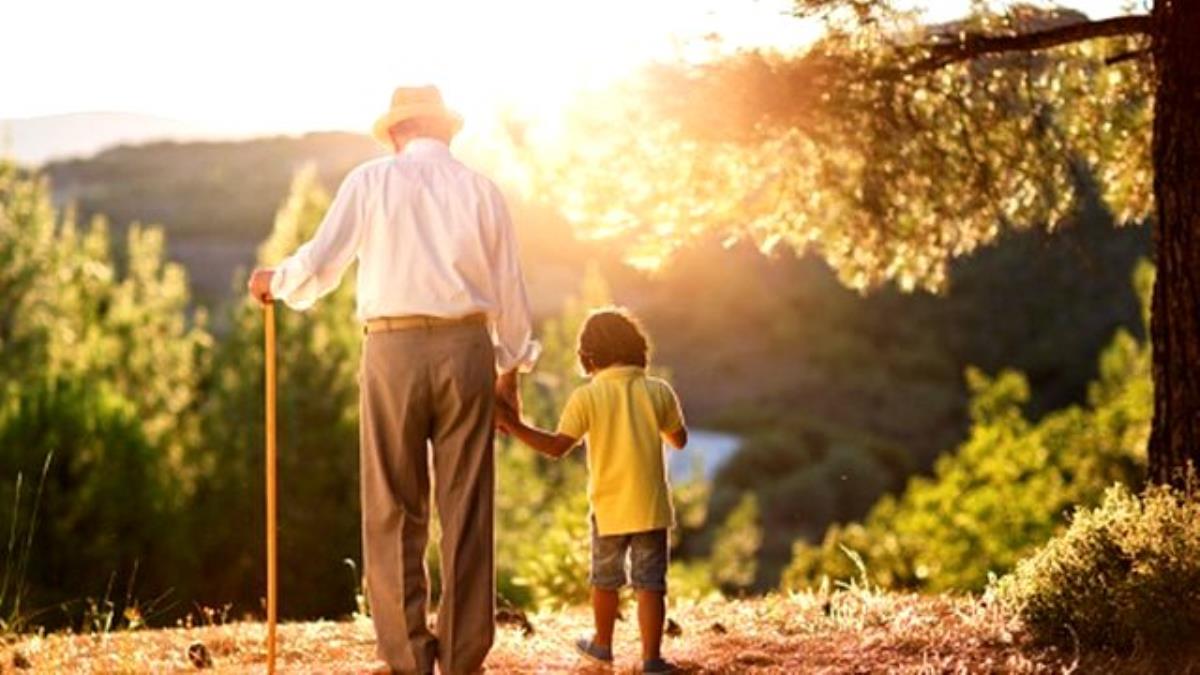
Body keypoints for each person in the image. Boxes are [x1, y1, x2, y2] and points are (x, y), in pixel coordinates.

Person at [247, 85, 539, 675]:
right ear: (445, 131)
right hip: (468, 350)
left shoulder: (371, 181)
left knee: (392, 505)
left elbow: (322, 264)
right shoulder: (484, 191)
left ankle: (407, 658)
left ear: (398, 132)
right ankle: (461, 660)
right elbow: (511, 292)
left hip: (392, 348)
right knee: (467, 508)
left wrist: (274, 281)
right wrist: (510, 373)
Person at [495, 307, 687, 674]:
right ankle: (651, 659)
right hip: (650, 506)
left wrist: (512, 425)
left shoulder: (586, 397)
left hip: (609, 507)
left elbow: (555, 448)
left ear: (588, 356)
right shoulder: (658, 391)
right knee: (651, 583)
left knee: (605, 579)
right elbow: (678, 441)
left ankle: (602, 645)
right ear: (637, 348)